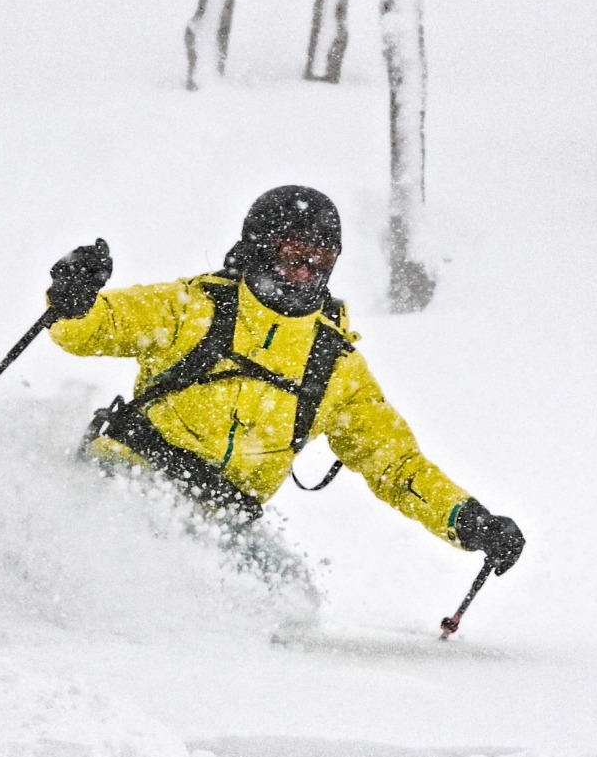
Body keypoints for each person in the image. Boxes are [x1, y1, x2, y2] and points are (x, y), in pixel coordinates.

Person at [45, 185, 525, 577]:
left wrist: (470, 522)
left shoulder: (331, 364)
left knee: (286, 598)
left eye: (321, 261)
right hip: (128, 480)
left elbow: (395, 464)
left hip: (220, 519)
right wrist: (74, 296)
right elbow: (89, 329)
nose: (305, 273)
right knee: (112, 560)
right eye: (293, 255)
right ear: (258, 247)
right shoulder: (194, 308)